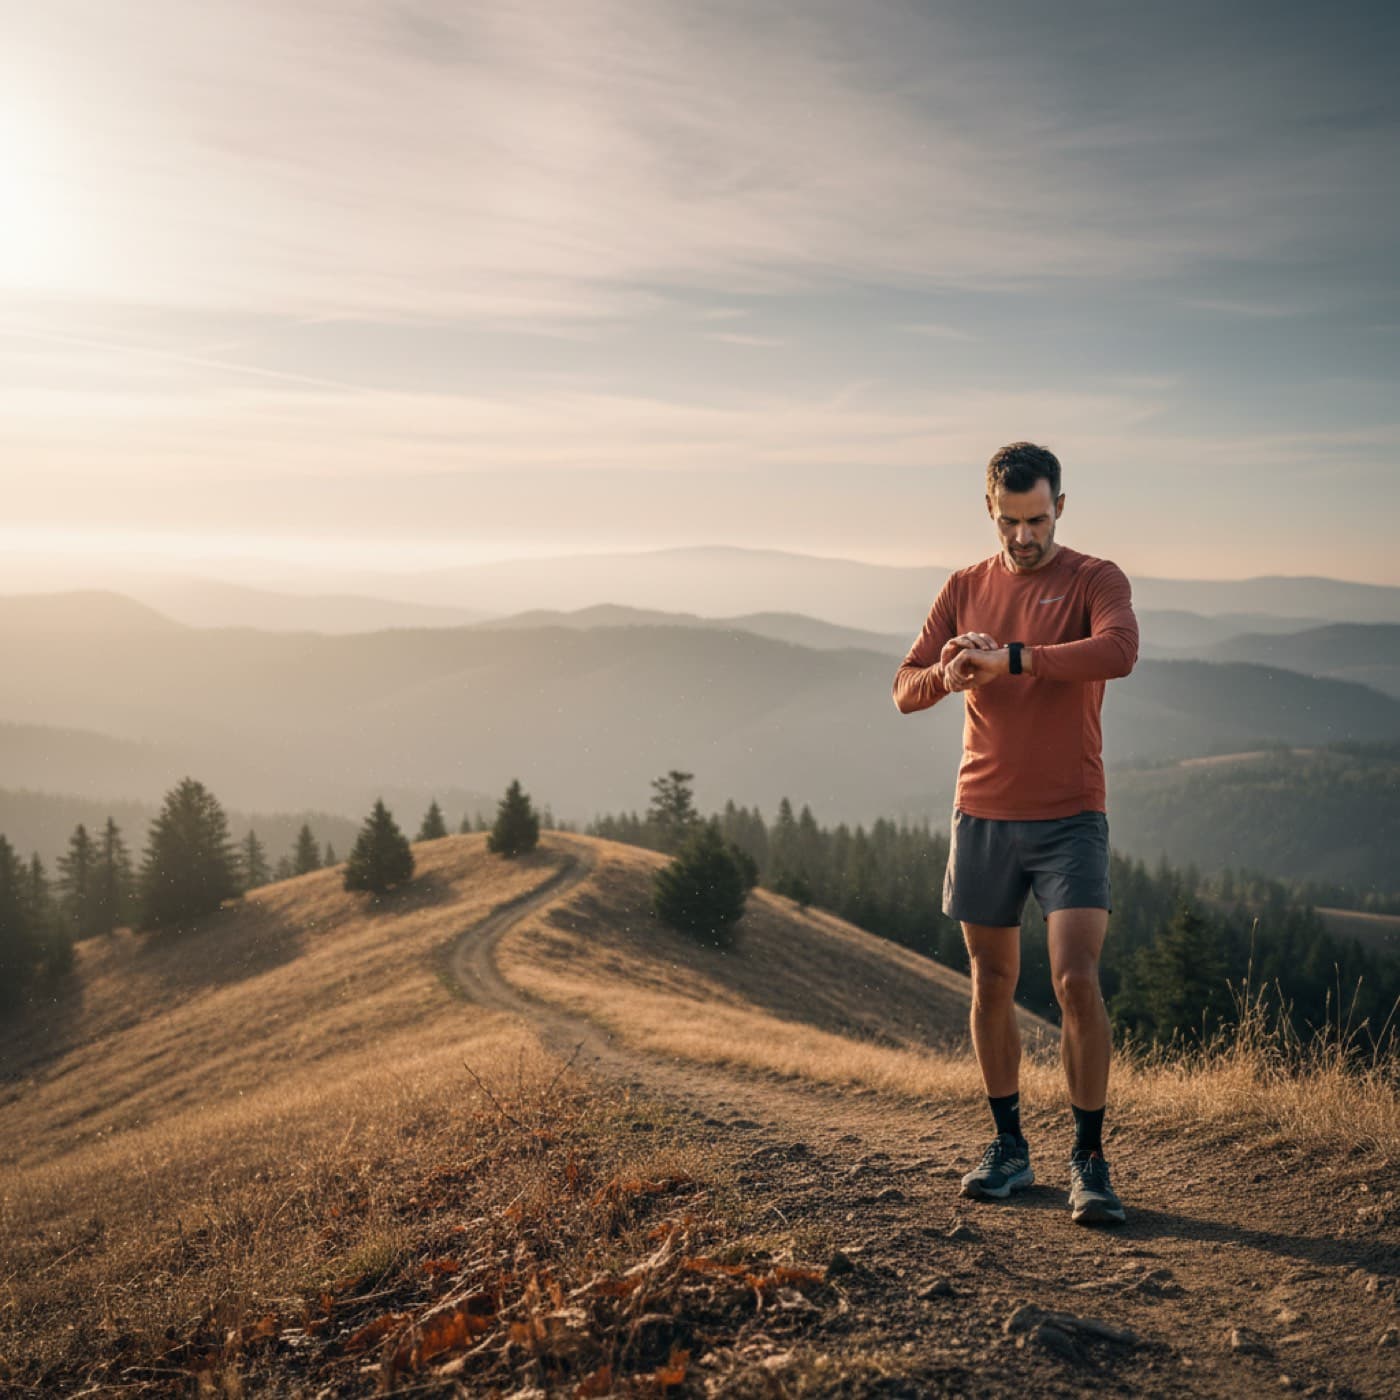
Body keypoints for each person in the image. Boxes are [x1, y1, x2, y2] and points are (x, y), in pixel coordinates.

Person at [891, 441, 1138, 1226]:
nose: (1023, 536)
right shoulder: (965, 585)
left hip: (1071, 814)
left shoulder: (1096, 578)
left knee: (1074, 981)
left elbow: (1119, 651)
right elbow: (904, 688)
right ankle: (1008, 1146)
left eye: (1036, 520)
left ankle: (1089, 1159)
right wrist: (950, 676)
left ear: (1060, 506)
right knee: (990, 984)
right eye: (1009, 521)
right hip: (984, 814)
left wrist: (1016, 661)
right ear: (989, 510)